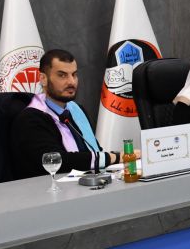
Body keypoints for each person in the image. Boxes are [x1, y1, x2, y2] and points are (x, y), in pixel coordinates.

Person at [11, 48, 121, 179]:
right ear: (43, 79)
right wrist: (114, 157)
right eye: (62, 75)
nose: (71, 82)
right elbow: (56, 160)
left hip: (88, 183)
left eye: (74, 74)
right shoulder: (30, 119)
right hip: (48, 188)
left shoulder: (77, 110)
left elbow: (93, 150)